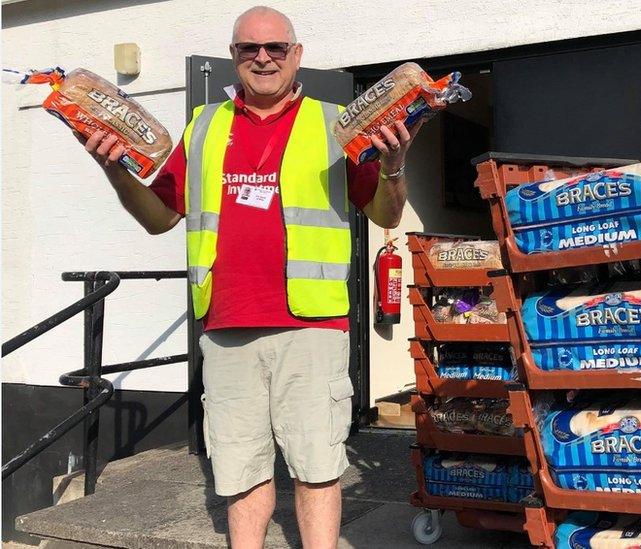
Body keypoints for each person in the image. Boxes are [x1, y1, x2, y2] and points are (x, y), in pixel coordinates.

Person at [79, 6, 420, 548]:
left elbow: (386, 214)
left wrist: (395, 166)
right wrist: (112, 169)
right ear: (234, 57)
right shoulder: (204, 125)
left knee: (316, 466)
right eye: (248, 49)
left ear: (297, 55)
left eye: (275, 48)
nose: (263, 58)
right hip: (226, 325)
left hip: (311, 326)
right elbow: (157, 217)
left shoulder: (337, 124)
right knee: (238, 473)